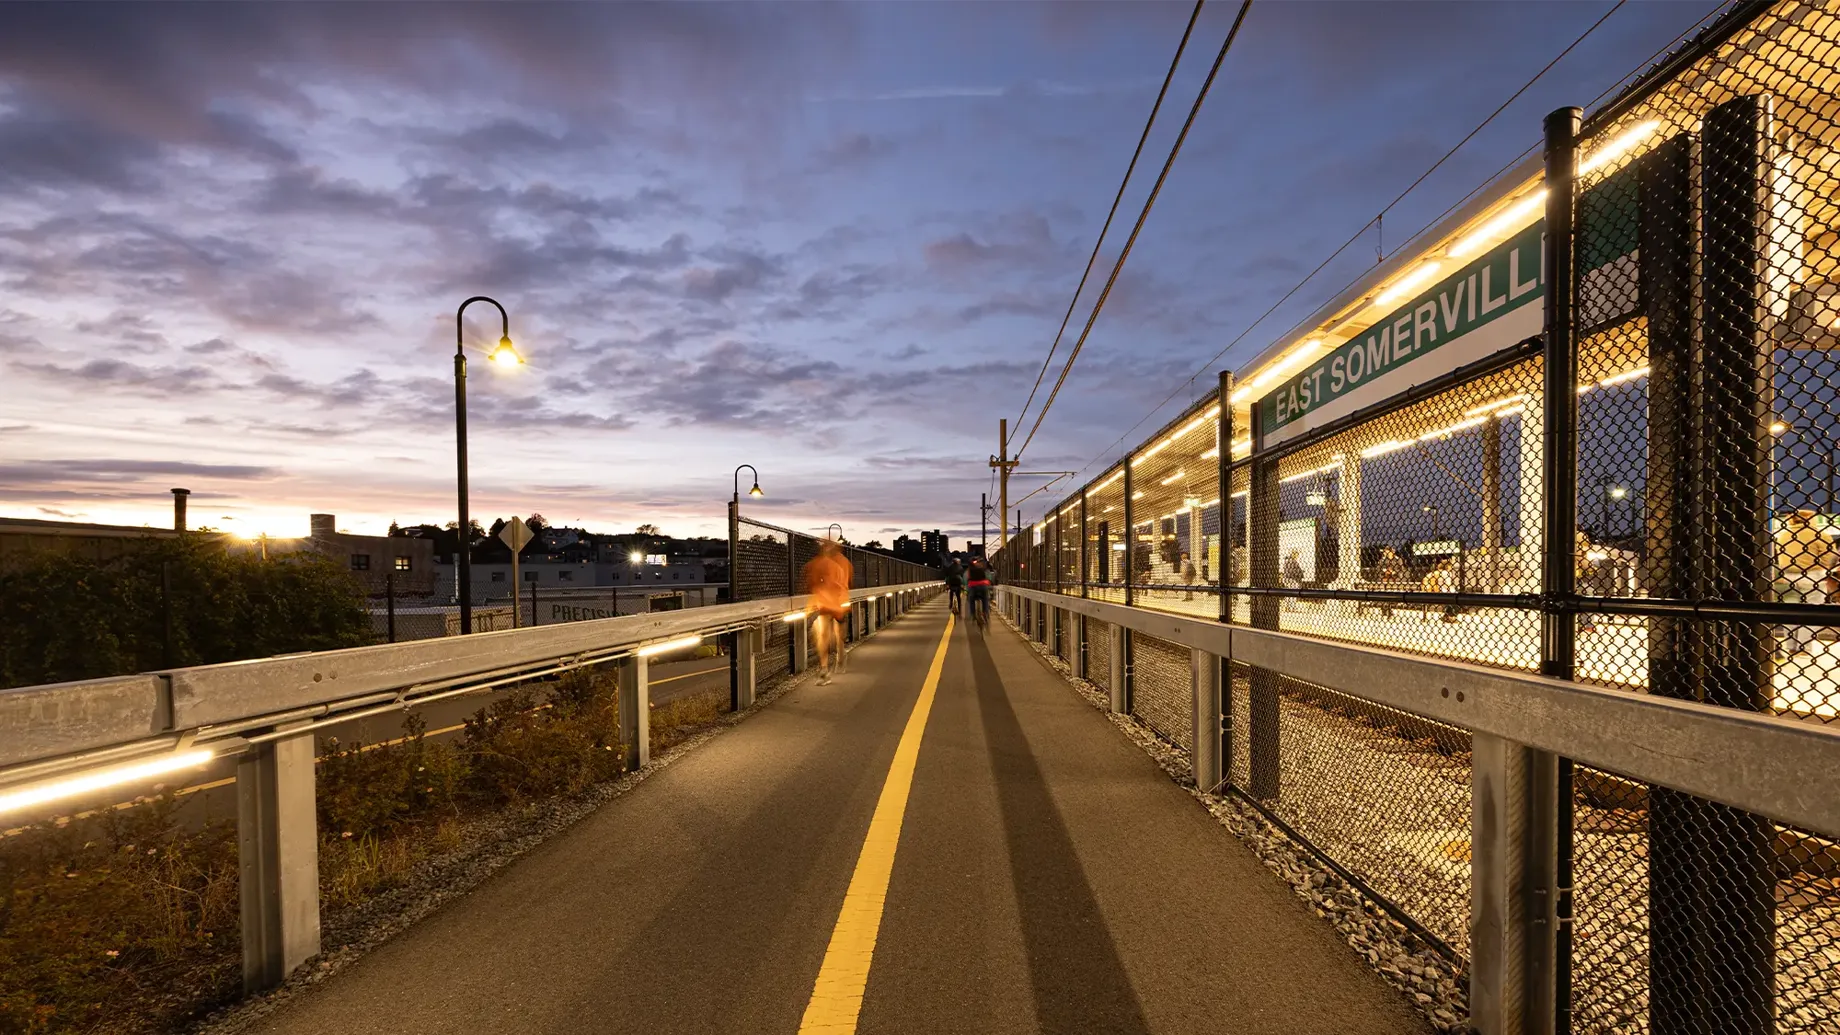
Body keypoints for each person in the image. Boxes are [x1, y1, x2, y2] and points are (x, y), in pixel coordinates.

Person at [802, 538, 854, 684]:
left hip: (833, 602)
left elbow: (812, 584)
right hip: (835, 603)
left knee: (825, 633)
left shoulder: (819, 564)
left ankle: (833, 662)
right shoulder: (839, 564)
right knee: (828, 633)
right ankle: (833, 662)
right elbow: (847, 583)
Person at [966, 555, 993, 627]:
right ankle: (985, 613)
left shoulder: (970, 568)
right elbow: (989, 576)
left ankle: (973, 614)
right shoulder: (983, 566)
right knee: (985, 599)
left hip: (973, 586)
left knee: (971, 599)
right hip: (983, 585)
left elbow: (967, 578)